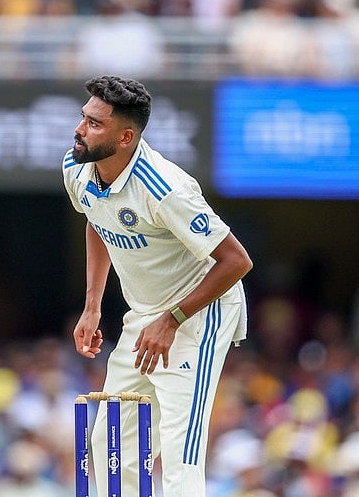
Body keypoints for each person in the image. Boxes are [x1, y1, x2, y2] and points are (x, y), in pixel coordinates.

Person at [63, 75, 252, 496]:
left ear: (126, 137)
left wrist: (172, 319)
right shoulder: (76, 170)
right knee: (110, 441)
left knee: (180, 454)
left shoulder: (166, 188)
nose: (79, 129)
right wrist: (92, 305)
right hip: (146, 314)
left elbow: (236, 261)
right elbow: (98, 219)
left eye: (94, 124)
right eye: (83, 118)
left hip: (201, 312)